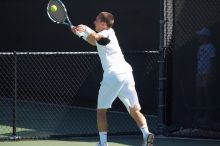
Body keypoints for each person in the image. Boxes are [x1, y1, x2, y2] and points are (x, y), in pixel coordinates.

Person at [71, 12, 154, 146]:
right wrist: (79, 33)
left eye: (96, 20)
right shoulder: (103, 36)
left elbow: (97, 37)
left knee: (101, 111)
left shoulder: (108, 32)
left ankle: (103, 143)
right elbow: (94, 41)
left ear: (103, 24)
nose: (94, 22)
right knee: (134, 109)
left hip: (114, 75)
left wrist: (86, 28)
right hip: (127, 73)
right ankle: (146, 134)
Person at [194, 27, 216, 125]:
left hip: (207, 73)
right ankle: (200, 112)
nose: (199, 38)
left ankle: (208, 115)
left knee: (207, 92)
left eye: (201, 36)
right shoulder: (200, 47)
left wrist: (210, 74)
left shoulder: (211, 47)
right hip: (200, 73)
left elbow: (212, 61)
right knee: (199, 91)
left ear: (205, 37)